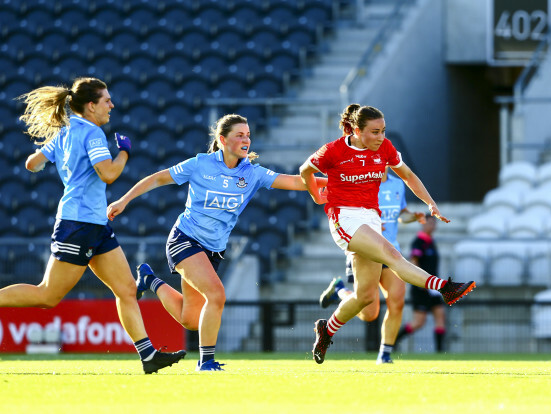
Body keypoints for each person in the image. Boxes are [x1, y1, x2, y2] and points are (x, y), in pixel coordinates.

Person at [107, 113, 327, 372]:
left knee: (190, 319)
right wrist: (123, 200)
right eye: (239, 135)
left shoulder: (253, 172)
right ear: (222, 140)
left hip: (213, 250)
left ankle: (149, 280)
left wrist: (338, 183)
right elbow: (157, 178)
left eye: (248, 134)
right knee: (217, 294)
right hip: (184, 240)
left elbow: (294, 181)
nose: (246, 139)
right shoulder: (201, 164)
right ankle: (207, 362)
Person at [0, 77, 186, 374]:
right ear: (91, 105)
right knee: (48, 295)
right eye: (106, 100)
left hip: (95, 223)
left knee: (126, 289)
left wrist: (55, 159)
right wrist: (124, 151)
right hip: (79, 223)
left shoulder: (66, 131)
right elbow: (108, 174)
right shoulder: (93, 133)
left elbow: (31, 164)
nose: (111, 105)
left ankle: (148, 355)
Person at [299, 103, 476, 364]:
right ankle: (444, 288)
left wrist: (430, 203)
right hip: (344, 218)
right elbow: (305, 170)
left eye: (383, 131)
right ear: (357, 131)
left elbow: (408, 175)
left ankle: (327, 330)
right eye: (374, 132)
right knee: (393, 255)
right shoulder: (334, 150)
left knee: (365, 299)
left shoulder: (385, 148)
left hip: (371, 217)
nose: (381, 137)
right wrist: (316, 195)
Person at [318, 167, 425, 364]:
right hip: (364, 251)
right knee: (369, 313)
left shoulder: (397, 184)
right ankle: (340, 290)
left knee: (397, 300)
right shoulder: (359, 181)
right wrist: (370, 225)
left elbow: (400, 214)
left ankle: (385, 354)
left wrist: (414, 216)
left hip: (391, 252)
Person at [396, 214, 448, 352]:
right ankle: (394, 340)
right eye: (429, 223)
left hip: (433, 288)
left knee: (440, 315)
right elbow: (414, 262)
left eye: (433, 223)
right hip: (421, 288)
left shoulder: (431, 241)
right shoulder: (419, 241)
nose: (432, 226)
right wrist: (420, 282)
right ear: (423, 224)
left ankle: (440, 352)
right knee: (419, 322)